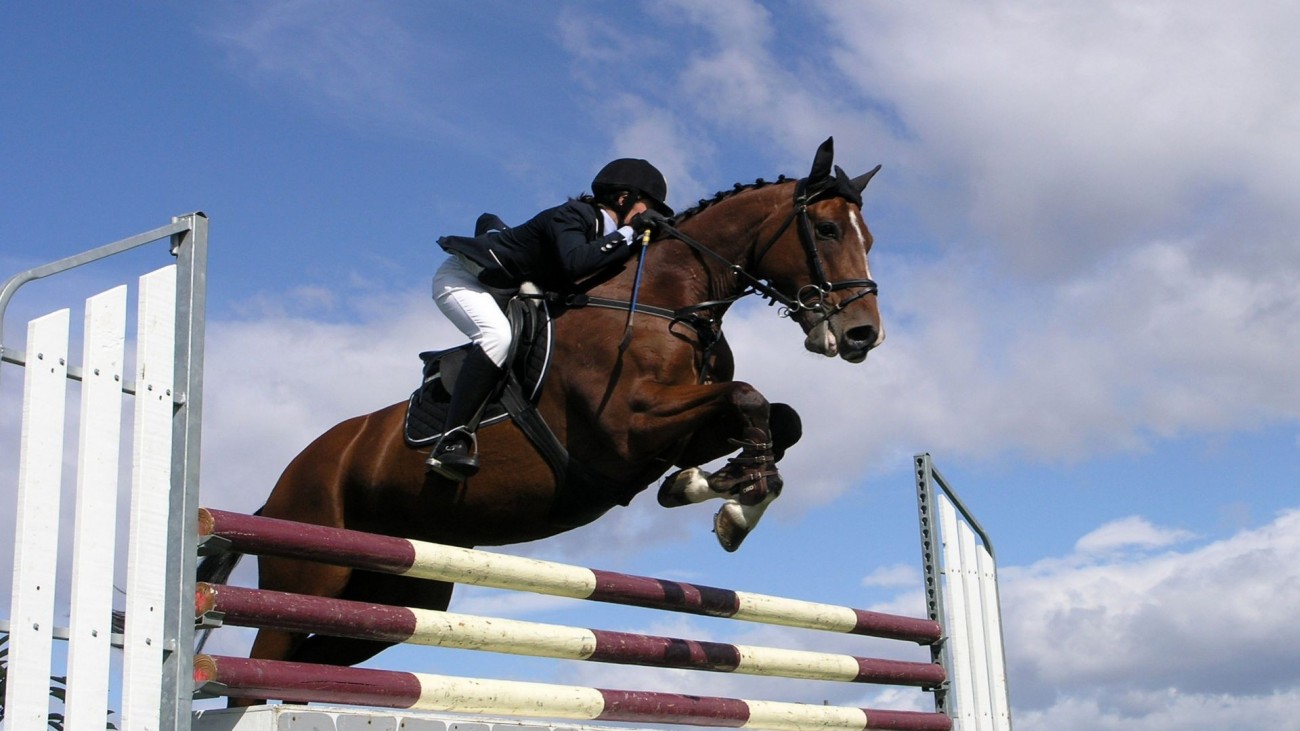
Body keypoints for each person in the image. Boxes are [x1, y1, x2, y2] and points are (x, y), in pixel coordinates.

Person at [426, 158, 673, 481]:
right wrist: (631, 231)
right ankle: (452, 441)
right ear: (623, 198)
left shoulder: (614, 237)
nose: (648, 214)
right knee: (497, 336)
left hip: (511, 289)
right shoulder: (572, 215)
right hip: (464, 280)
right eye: (648, 205)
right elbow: (576, 263)